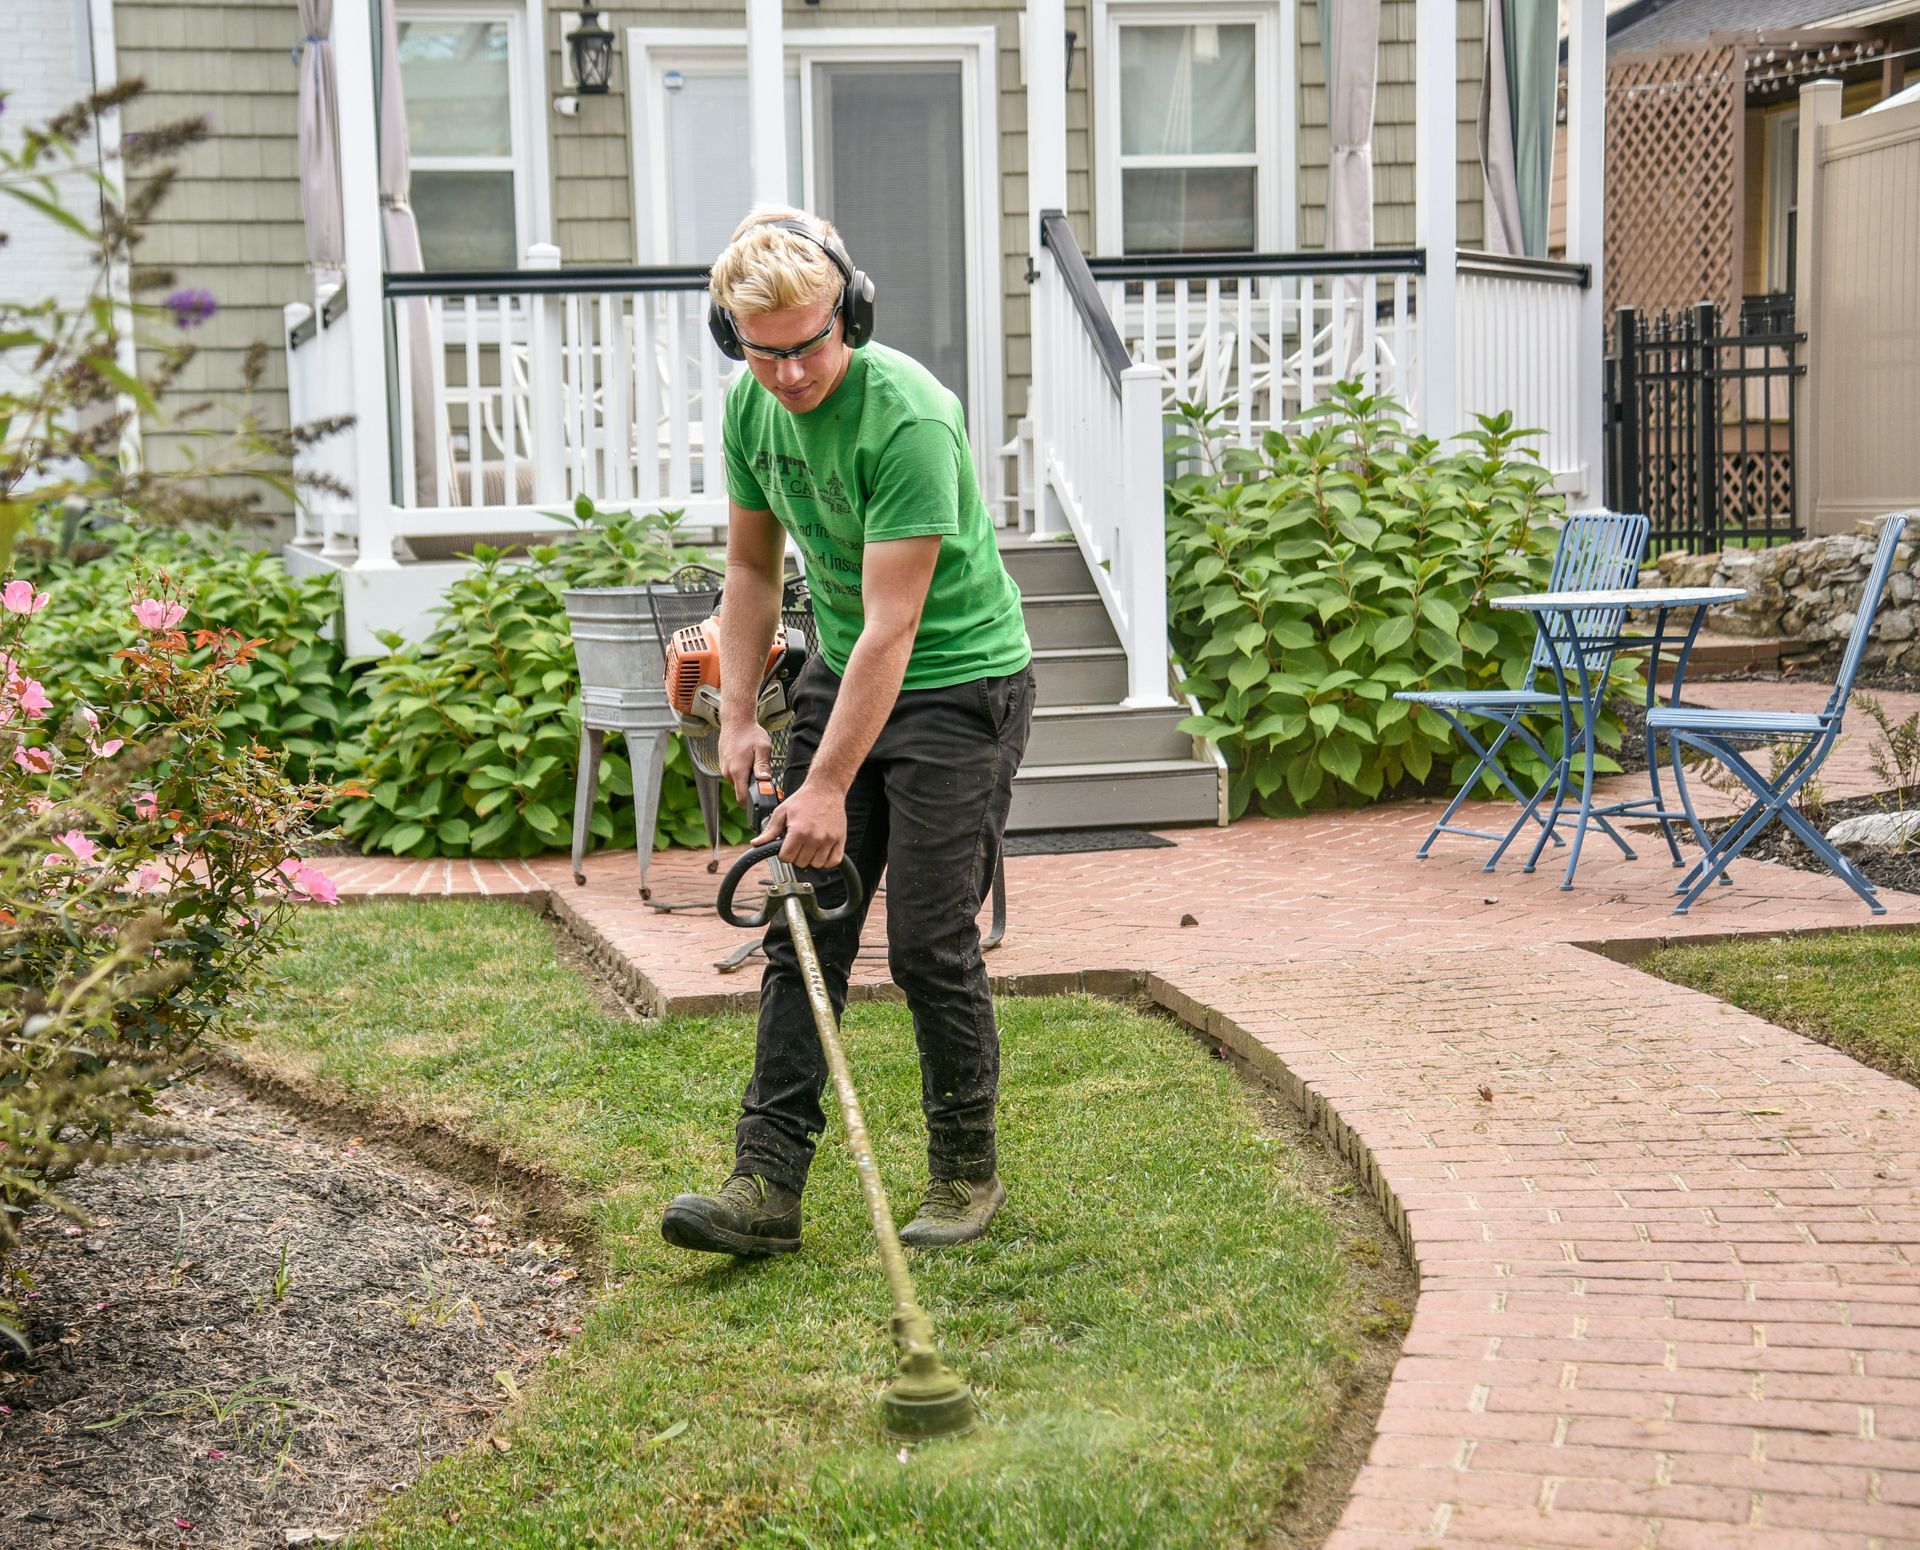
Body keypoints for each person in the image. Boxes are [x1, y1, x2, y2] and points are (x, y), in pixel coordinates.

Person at [660, 206, 1034, 1257]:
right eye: (760, 351)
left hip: (958, 682)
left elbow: (893, 624)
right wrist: (735, 712)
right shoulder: (753, 407)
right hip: (846, 666)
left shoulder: (907, 417)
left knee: (925, 936)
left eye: (808, 344)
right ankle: (764, 1184)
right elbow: (748, 569)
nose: (786, 374)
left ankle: (965, 1172)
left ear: (851, 314)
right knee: (801, 923)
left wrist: (823, 787)